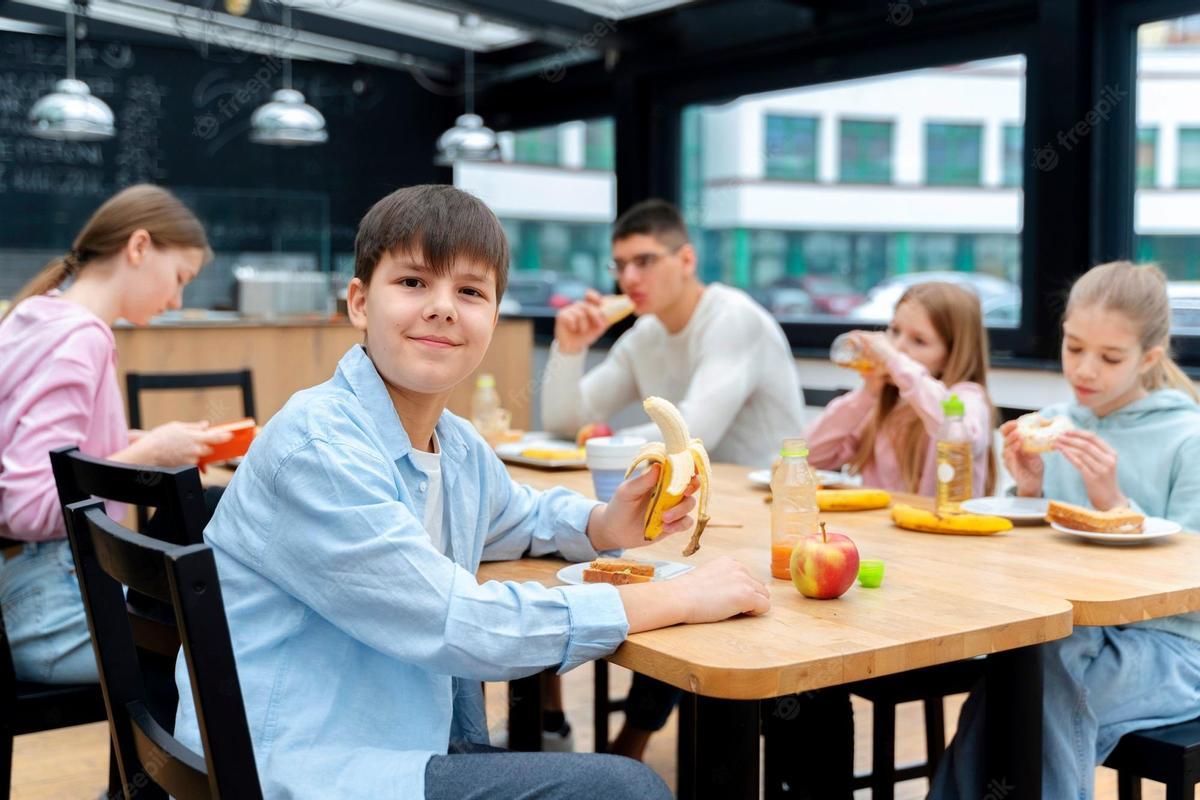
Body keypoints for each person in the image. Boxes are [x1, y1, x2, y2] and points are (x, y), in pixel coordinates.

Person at [172, 184, 771, 799]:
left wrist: (605, 525)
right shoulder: (318, 446)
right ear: (358, 302)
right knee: (624, 791)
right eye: (412, 283)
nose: (442, 308)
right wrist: (680, 598)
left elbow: (520, 515)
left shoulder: (453, 444)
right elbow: (461, 624)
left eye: (470, 291)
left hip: (397, 734)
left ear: (493, 315)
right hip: (291, 765)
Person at [539, 198, 806, 762]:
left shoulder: (732, 318)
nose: (629, 278)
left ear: (685, 258)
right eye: (619, 265)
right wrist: (568, 349)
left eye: (644, 261)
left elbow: (692, 430)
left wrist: (605, 437)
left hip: (763, 515)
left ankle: (630, 745)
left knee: (672, 586)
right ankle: (599, 741)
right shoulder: (644, 336)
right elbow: (563, 422)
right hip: (689, 516)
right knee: (649, 579)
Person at [930, 261, 1200, 799]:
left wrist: (1114, 504)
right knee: (1027, 672)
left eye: (1109, 357)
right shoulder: (1053, 422)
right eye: (1074, 347)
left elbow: (1189, 589)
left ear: (1148, 359)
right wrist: (1027, 493)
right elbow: (1020, 566)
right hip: (1068, 638)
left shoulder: (1187, 436)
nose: (1086, 369)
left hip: (1172, 649)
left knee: (1025, 686)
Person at [0, 184, 232, 685]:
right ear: (140, 246)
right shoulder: (79, 337)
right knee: (228, 655)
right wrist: (145, 453)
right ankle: (162, 764)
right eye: (179, 278)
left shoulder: (34, 315)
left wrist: (131, 448)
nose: (176, 299)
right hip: (52, 612)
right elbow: (26, 505)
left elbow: (43, 455)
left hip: (31, 593)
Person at [805, 281, 996, 496]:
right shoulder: (883, 404)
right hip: (879, 528)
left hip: (943, 527)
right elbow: (809, 458)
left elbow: (960, 439)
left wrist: (895, 362)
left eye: (919, 340)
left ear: (952, 355)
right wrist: (866, 395)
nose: (897, 347)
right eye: (895, 331)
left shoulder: (967, 398)